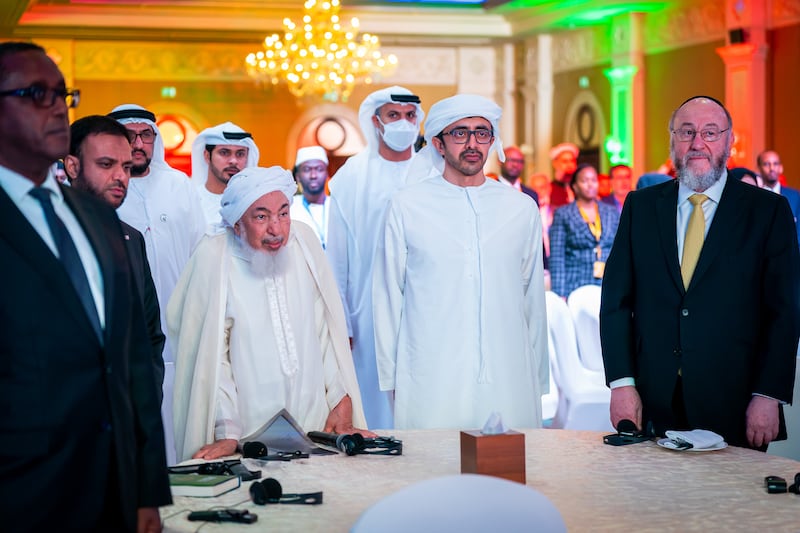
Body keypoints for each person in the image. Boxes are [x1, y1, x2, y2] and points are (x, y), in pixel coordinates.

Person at [0, 41, 170, 531]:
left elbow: (131, 357)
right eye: (35, 93)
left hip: (111, 487)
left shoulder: (96, 220)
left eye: (62, 93)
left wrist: (145, 489)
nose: (55, 105)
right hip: (22, 491)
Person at [600, 95, 800, 450]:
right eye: (686, 131)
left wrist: (769, 394)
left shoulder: (768, 212)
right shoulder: (641, 208)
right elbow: (616, 302)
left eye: (710, 132)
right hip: (652, 399)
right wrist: (621, 383)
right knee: (649, 503)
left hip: (736, 400)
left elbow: (784, 311)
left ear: (729, 140)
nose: (697, 143)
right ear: (672, 139)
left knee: (732, 506)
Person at [168, 166, 369, 461]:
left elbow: (324, 332)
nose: (277, 230)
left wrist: (340, 399)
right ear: (237, 224)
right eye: (261, 217)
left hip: (314, 425)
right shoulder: (214, 256)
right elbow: (213, 360)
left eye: (284, 213)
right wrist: (228, 433)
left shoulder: (303, 242)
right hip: (248, 435)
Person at [372, 94, 548, 430]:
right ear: (438, 143)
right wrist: (392, 380)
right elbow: (388, 297)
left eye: (482, 133)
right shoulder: (407, 205)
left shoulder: (520, 208)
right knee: (434, 472)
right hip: (430, 376)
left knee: (506, 475)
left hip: (508, 373)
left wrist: (536, 379)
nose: (472, 143)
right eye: (460, 133)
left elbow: (532, 302)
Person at [109, 103, 207, 464]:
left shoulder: (179, 185)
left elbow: (201, 250)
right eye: (129, 135)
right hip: (131, 331)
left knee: (182, 415)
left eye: (145, 134)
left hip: (183, 325)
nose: (138, 143)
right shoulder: (109, 188)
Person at [327, 86, 425, 429]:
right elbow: (337, 260)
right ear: (376, 121)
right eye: (393, 115)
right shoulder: (350, 178)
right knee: (373, 396)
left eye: (410, 115)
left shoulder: (433, 172)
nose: (403, 123)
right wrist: (343, 322)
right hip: (365, 308)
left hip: (426, 303)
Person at [66, 114, 166, 396]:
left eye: (125, 166)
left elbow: (149, 334)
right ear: (72, 166)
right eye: (106, 164)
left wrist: (145, 401)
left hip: (122, 416)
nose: (120, 176)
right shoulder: (47, 233)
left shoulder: (131, 239)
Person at [549, 164, 620, 299]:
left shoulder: (611, 212)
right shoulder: (563, 214)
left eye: (593, 180)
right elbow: (557, 256)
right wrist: (560, 294)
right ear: (575, 186)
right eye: (584, 181)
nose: (590, 185)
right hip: (575, 283)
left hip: (607, 283)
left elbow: (619, 250)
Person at [191, 121, 260, 227]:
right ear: (207, 155)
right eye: (224, 152)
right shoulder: (190, 200)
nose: (233, 161)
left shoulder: (255, 202)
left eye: (240, 154)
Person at [757, 149, 800, 245]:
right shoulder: (755, 197)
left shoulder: (795, 196)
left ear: (781, 168)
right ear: (759, 168)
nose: (771, 168)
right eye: (766, 164)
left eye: (775, 164)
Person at [290, 145, 330, 248]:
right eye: (307, 169)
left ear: (327, 174)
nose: (313, 175)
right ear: (297, 176)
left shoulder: (338, 206)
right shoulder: (290, 207)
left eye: (319, 169)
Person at [548, 142, 579, 208]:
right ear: (555, 163)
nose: (569, 165)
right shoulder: (549, 189)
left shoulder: (580, 188)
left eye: (572, 161)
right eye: (565, 161)